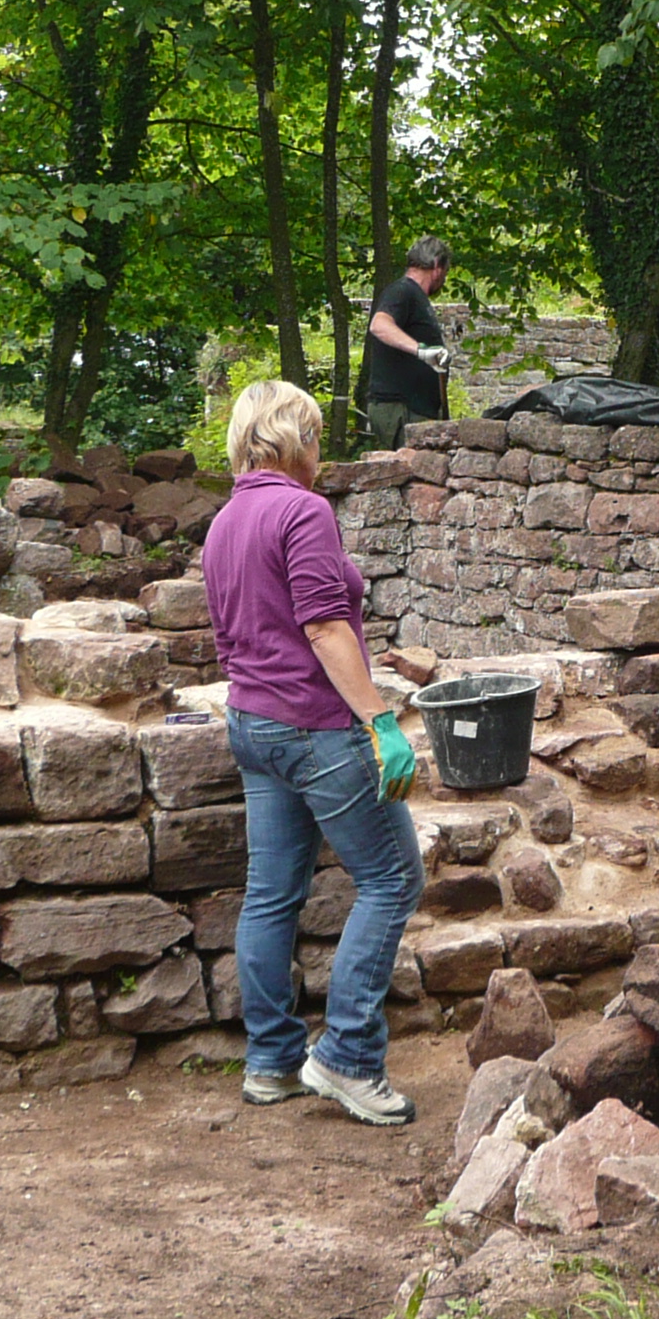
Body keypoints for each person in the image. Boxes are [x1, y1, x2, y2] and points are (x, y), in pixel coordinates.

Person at [201, 378, 425, 1126]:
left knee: (271, 894)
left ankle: (271, 1061)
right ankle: (348, 1057)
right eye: (317, 437)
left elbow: (232, 633)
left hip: (252, 722)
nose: (321, 452)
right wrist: (380, 722)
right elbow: (325, 626)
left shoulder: (224, 522)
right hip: (315, 726)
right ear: (292, 439)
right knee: (393, 879)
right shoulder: (303, 511)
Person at [362, 237, 455, 449]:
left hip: (414, 410)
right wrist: (422, 351)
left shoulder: (415, 297)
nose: (444, 279)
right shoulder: (402, 291)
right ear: (437, 266)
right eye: (445, 272)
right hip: (401, 411)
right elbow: (379, 325)